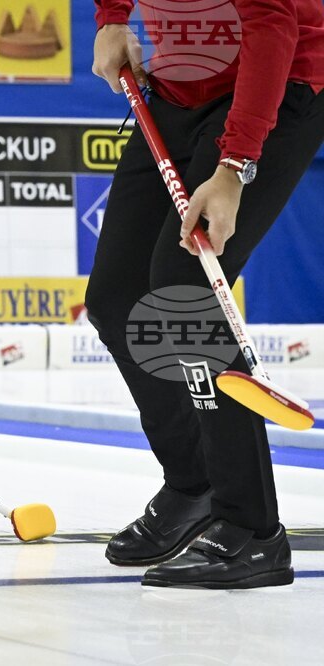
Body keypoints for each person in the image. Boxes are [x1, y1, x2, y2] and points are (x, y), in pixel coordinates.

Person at [88, 0, 324, 588]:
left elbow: (273, 26)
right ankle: (195, 485)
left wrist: (235, 166)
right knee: (116, 299)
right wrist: (112, 19)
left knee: (184, 284)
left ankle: (253, 530)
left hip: (280, 80)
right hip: (176, 88)